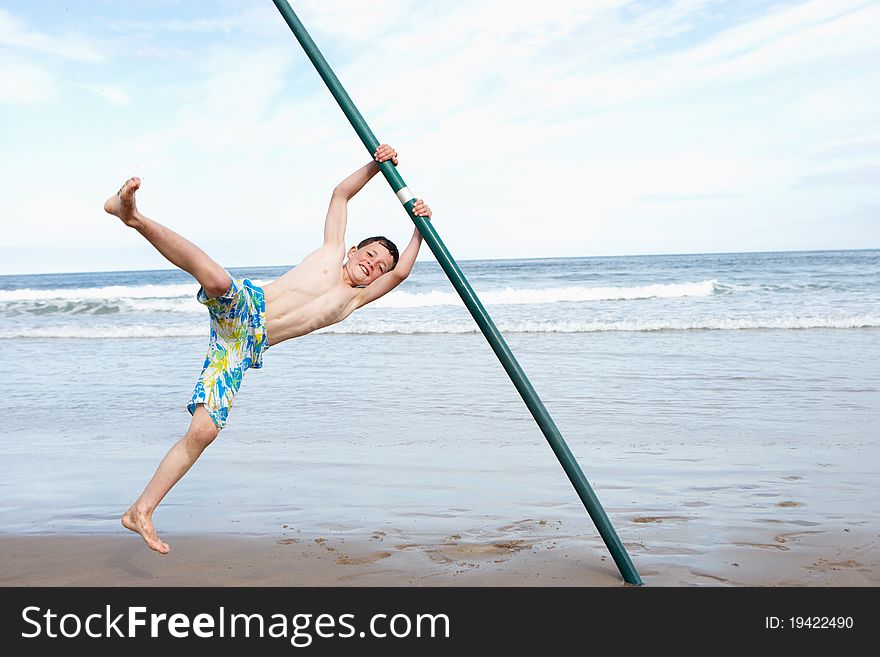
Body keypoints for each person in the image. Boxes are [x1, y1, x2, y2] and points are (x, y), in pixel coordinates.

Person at [103, 144, 430, 553]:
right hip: (246, 306)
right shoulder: (331, 252)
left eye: (378, 267)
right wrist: (376, 166)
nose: (373, 266)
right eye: (369, 255)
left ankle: (141, 511)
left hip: (242, 348)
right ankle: (131, 216)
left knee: (204, 431)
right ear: (353, 251)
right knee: (219, 282)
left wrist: (419, 229)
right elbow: (340, 194)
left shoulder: (355, 300)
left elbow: (400, 273)